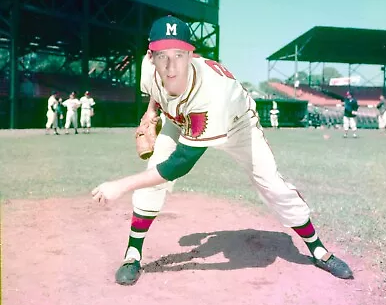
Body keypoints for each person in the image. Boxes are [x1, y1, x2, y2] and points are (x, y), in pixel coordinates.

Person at [91, 15, 353, 286]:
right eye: (162, 56)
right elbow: (158, 90)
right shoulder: (147, 69)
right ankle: (132, 253)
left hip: (238, 127)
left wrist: (121, 185)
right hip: (179, 119)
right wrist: (151, 112)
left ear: (192, 54)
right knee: (151, 178)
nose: (170, 65)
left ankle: (318, 249)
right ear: (150, 55)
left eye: (179, 55)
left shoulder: (212, 92)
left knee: (273, 187)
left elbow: (178, 164)